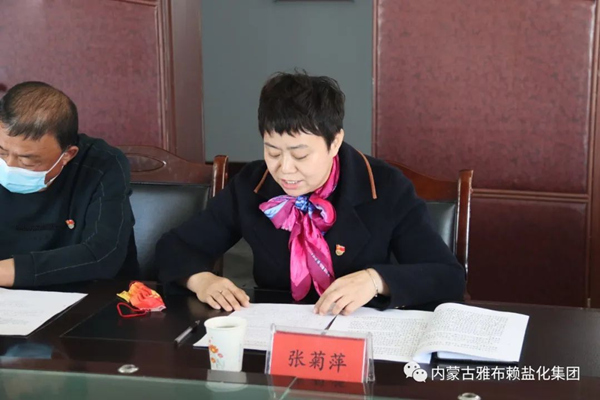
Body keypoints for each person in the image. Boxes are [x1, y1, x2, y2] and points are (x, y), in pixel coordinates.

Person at [156, 72, 465, 315]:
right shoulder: (252, 184)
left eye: (300, 155)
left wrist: (376, 280)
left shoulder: (385, 187)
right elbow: (177, 246)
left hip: (362, 336)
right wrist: (202, 280)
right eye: (272, 151)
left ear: (335, 142)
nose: (284, 169)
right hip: (276, 334)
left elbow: (447, 276)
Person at [0, 81, 136, 288]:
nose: (9, 166)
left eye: (27, 160)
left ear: (67, 155)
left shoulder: (102, 164)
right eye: (1, 152)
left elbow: (102, 255)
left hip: (90, 295)